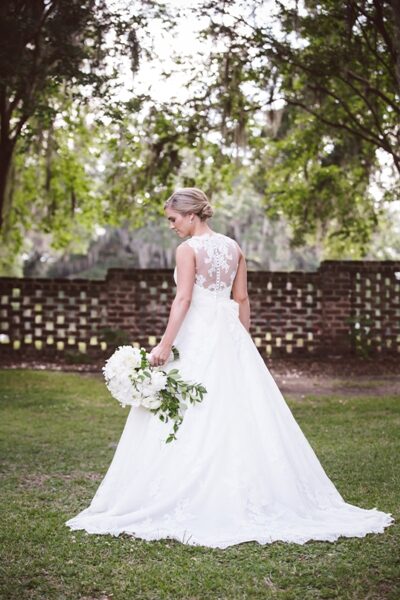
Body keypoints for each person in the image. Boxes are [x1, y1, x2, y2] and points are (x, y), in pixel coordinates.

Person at [66, 187, 394, 549]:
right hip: (229, 332)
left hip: (197, 334)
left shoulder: (187, 250)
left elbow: (184, 298)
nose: (171, 226)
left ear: (191, 215)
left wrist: (164, 344)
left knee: (188, 407)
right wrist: (243, 343)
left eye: (173, 219)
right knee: (236, 408)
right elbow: (241, 299)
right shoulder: (234, 247)